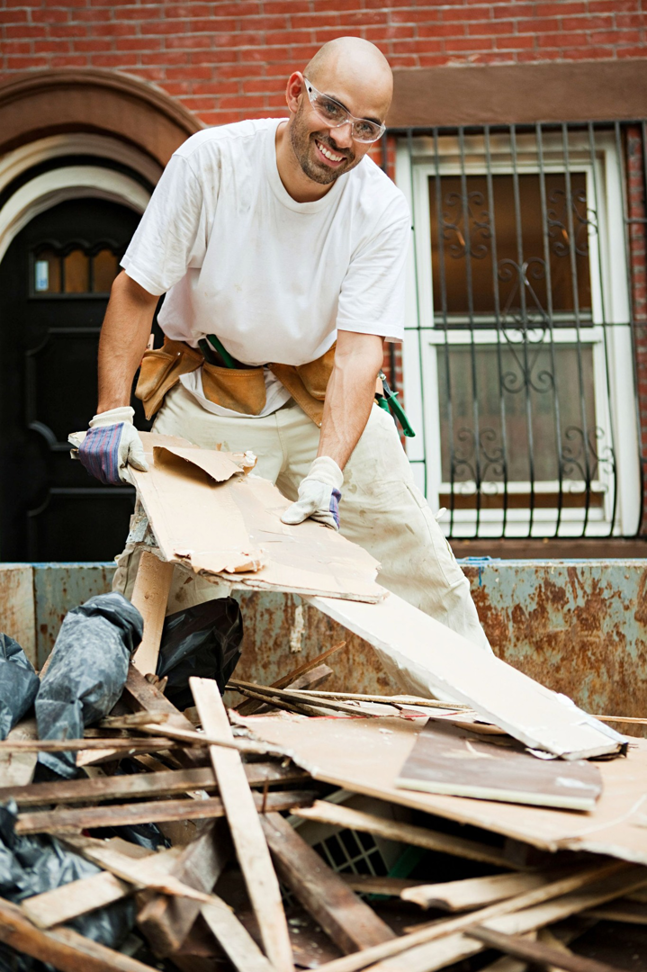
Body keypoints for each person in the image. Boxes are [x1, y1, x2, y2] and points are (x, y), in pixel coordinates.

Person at [78, 36, 491, 651]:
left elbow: (357, 351)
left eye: (368, 127)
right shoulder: (210, 164)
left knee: (420, 563)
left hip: (318, 391)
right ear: (295, 93)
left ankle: (478, 714)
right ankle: (155, 707)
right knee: (174, 576)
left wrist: (329, 469)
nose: (344, 138)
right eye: (332, 109)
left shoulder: (378, 209)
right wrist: (113, 411)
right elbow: (138, 293)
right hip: (209, 392)